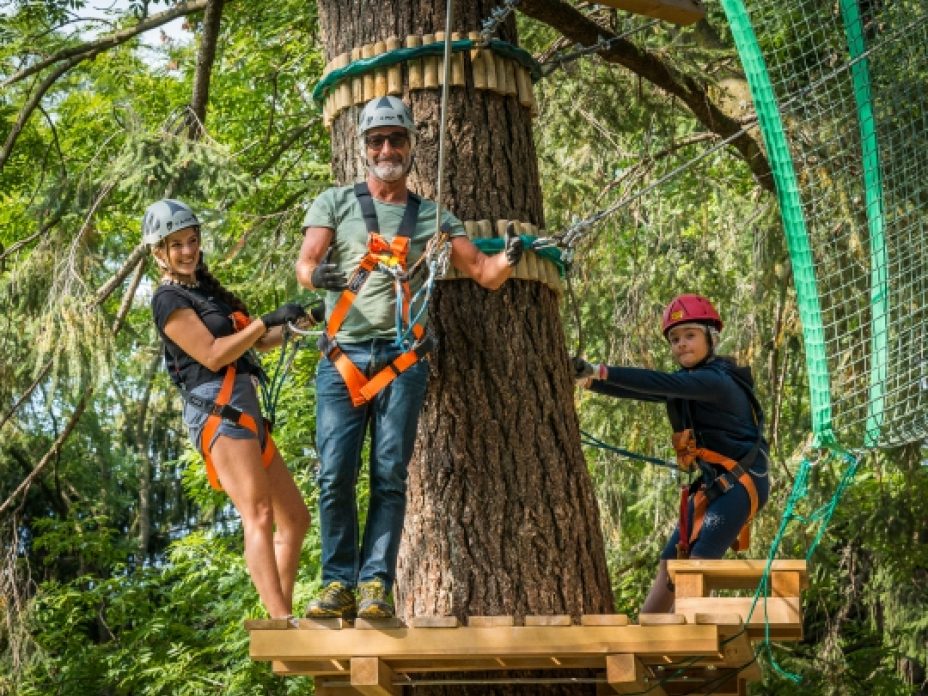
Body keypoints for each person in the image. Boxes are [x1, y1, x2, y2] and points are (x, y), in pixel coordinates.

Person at [295, 95, 524, 619]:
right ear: (363, 149)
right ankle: (338, 583)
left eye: (396, 139)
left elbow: (484, 274)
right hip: (344, 355)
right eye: (377, 140)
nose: (387, 148)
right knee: (334, 473)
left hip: (401, 358)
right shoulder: (335, 202)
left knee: (389, 472)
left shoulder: (433, 217)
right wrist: (319, 276)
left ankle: (375, 582)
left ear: (411, 147)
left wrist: (508, 258)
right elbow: (306, 263)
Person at [145, 198, 311, 623]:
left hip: (244, 404)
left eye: (193, 241)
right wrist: (262, 322)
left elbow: (258, 343)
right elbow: (215, 355)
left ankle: (282, 617)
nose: (188, 251)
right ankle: (279, 621)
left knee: (294, 518)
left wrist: (295, 323)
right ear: (158, 252)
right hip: (218, 407)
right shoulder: (168, 299)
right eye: (176, 244)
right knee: (257, 513)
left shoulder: (207, 293)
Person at [572, 293, 770, 614]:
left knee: (696, 565)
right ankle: (645, 639)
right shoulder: (688, 383)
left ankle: (690, 644)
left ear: (711, 337)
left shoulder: (716, 381)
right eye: (675, 339)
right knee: (669, 566)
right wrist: (589, 381)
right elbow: (648, 389)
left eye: (690, 335)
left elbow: (655, 381)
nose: (681, 344)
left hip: (740, 485)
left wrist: (598, 370)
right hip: (715, 485)